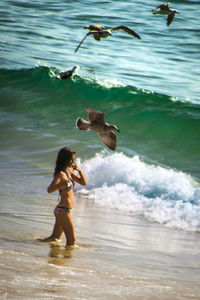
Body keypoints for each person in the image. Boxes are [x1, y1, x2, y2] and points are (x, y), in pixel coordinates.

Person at [40, 147, 87, 246]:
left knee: (54, 238)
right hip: (63, 210)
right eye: (71, 159)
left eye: (74, 159)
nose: (73, 162)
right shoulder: (60, 174)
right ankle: (66, 261)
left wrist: (79, 170)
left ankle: (28, 243)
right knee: (72, 241)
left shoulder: (68, 172)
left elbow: (83, 183)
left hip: (63, 210)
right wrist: (62, 185)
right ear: (65, 159)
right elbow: (49, 189)